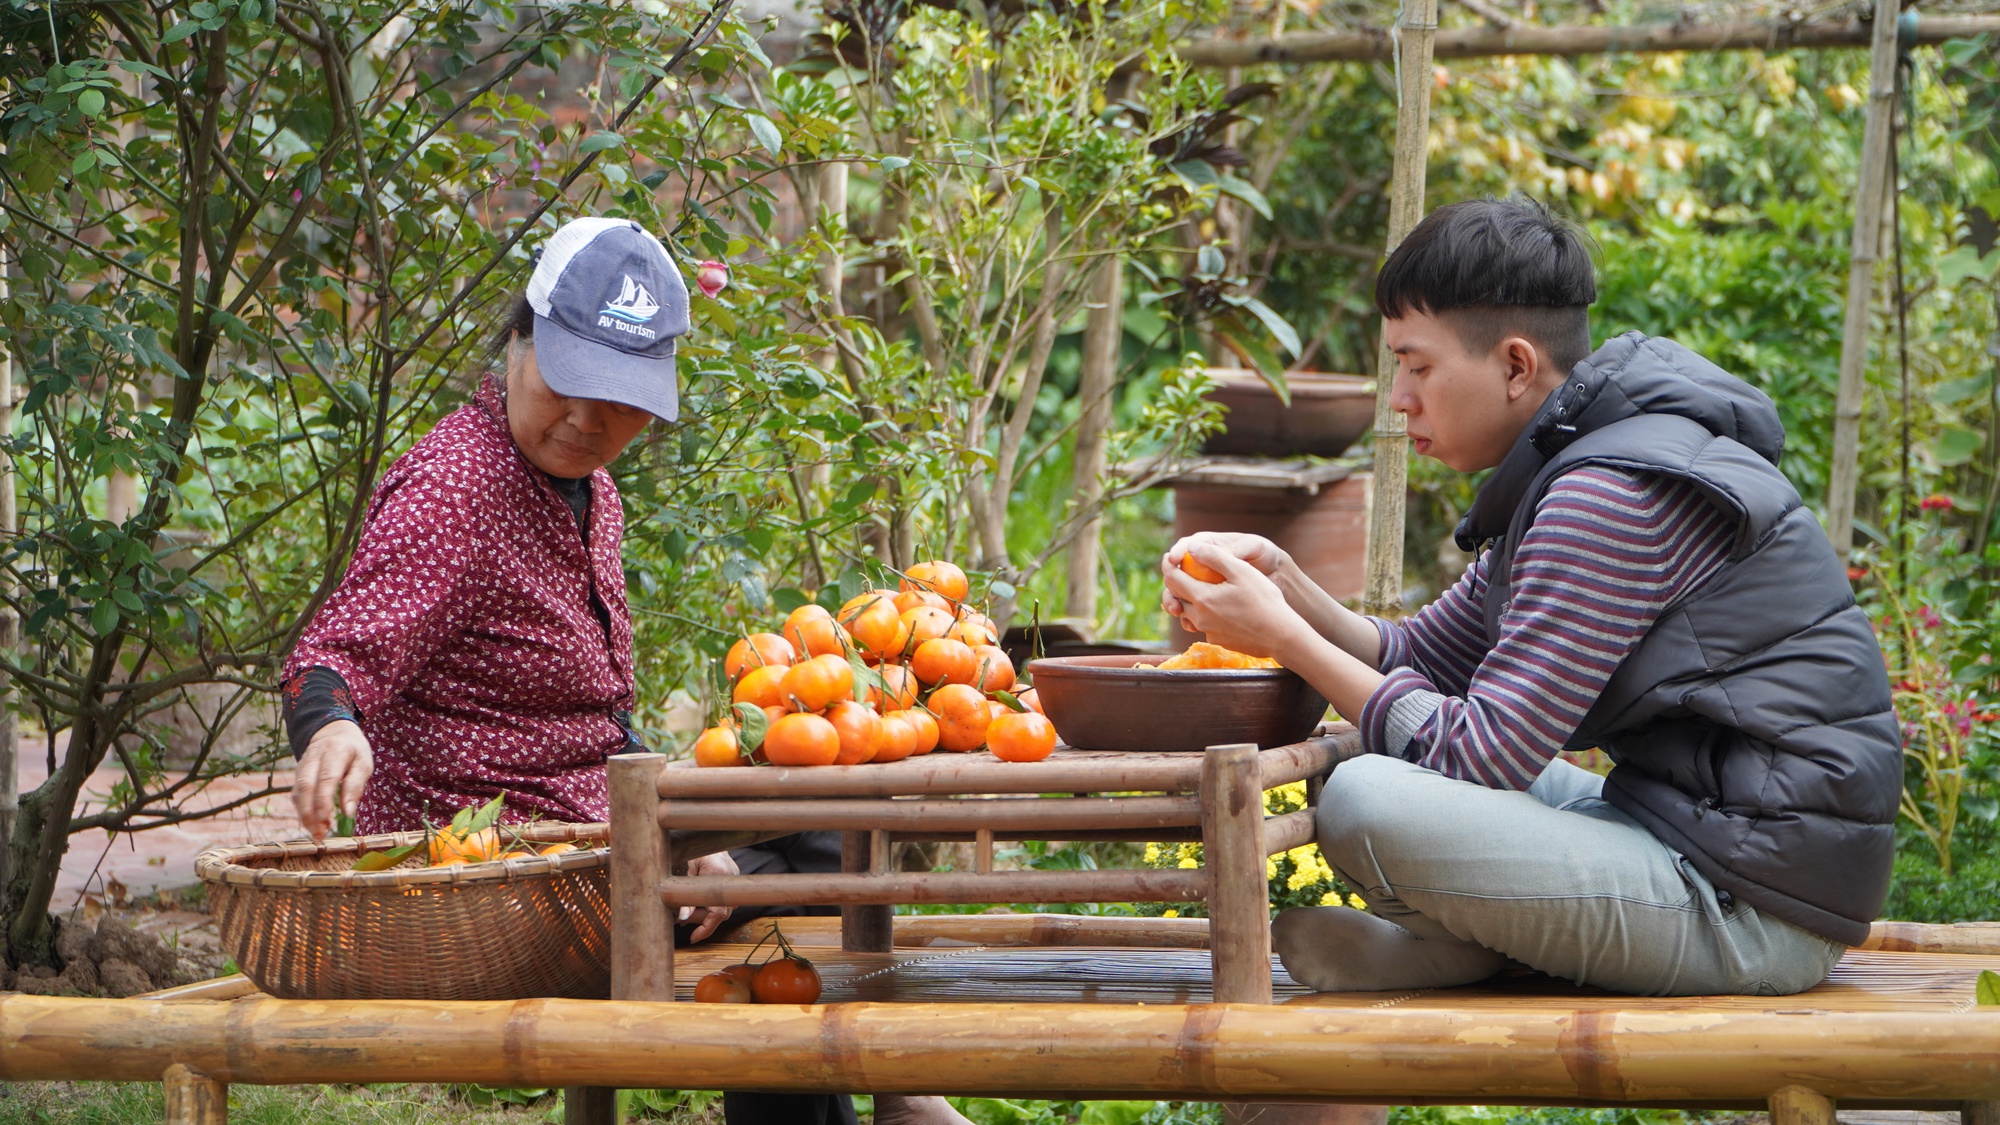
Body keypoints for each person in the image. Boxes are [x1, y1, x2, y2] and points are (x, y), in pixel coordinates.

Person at [284, 216, 968, 1125]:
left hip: (600, 826)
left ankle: (886, 1092)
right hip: (506, 866)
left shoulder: (588, 491)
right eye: (569, 385)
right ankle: (896, 1101)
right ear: (520, 341)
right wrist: (331, 723)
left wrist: (680, 823)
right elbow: (334, 652)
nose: (586, 419)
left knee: (817, 832)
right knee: (764, 900)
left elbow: (597, 715)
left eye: (616, 398)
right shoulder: (456, 483)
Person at [1160, 196, 1900, 997]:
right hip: (1680, 827)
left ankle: (1475, 947)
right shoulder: (1571, 463)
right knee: (1371, 745)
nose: (1399, 398)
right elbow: (1421, 656)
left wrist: (1288, 639)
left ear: (1516, 366)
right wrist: (1285, 583)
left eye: (1418, 365)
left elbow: (1482, 758)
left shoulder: (1606, 496)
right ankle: (1469, 951)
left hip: (1754, 906)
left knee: (1366, 791)